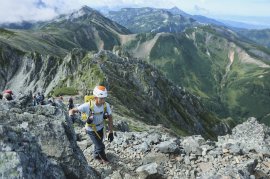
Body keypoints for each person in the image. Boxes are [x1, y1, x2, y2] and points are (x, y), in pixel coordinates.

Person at [69, 86, 114, 164]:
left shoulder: (106, 105)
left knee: (98, 143)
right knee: (101, 146)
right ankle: (105, 160)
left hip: (100, 128)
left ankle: (96, 156)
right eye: (101, 98)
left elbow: (110, 118)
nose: (103, 100)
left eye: (104, 98)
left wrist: (111, 132)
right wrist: (71, 117)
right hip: (91, 129)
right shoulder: (87, 106)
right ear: (95, 97)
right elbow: (72, 110)